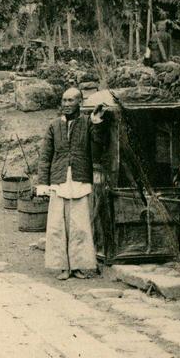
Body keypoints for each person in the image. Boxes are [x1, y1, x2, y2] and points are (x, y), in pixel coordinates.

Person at [35, 87, 108, 281]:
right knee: (57, 226)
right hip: (59, 180)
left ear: (80, 103)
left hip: (80, 179)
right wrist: (42, 183)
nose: (66, 104)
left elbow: (98, 145)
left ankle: (79, 266)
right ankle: (61, 267)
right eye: (64, 100)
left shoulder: (87, 123)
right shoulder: (53, 126)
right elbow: (45, 157)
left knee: (80, 225)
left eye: (71, 101)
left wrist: (97, 123)